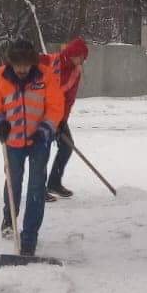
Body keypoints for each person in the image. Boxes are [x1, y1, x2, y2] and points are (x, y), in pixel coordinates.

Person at [0, 38, 63, 257]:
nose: (21, 69)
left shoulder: (45, 76)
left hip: (39, 141)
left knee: (37, 186)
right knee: (14, 181)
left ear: (32, 63)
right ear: (10, 63)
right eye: (17, 65)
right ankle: (9, 220)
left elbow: (56, 107)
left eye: (25, 65)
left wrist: (46, 129)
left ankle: (29, 238)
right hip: (12, 141)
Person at [43, 37, 88, 200]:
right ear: (73, 53)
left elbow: (69, 99)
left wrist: (62, 121)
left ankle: (54, 182)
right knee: (43, 150)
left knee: (67, 146)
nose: (82, 61)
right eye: (81, 57)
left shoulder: (76, 72)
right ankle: (39, 189)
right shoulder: (50, 61)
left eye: (83, 58)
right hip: (42, 113)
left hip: (59, 115)